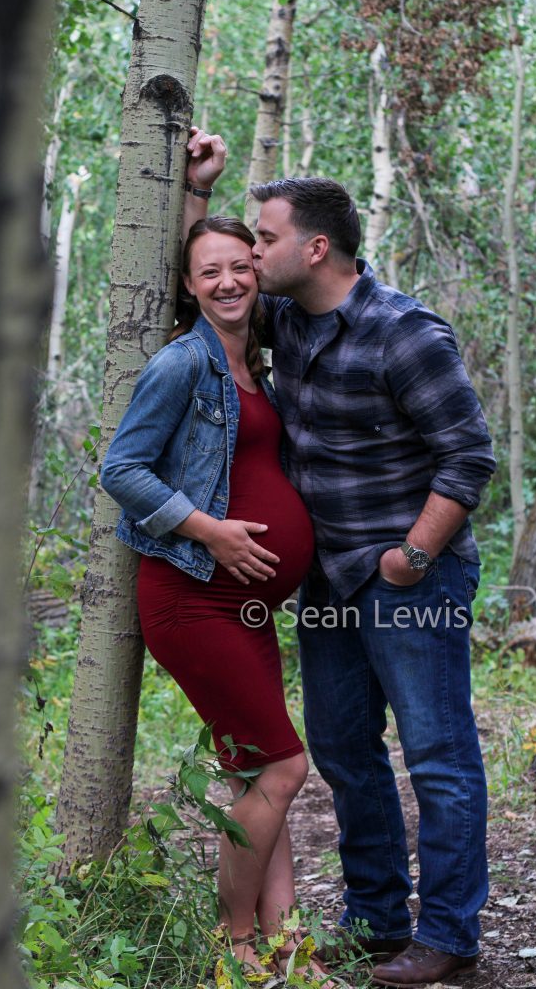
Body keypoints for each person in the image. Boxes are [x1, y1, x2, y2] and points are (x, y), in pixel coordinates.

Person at [184, 128, 497, 987]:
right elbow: (204, 285)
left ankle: (449, 936)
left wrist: (411, 556)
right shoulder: (287, 318)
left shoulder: (405, 334)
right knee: (344, 752)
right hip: (326, 581)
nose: (251, 256)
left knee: (436, 754)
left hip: (407, 578)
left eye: (268, 239)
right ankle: (374, 918)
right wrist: (197, 192)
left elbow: (467, 457)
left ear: (315, 246)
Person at [100, 202, 337, 984]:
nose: (230, 280)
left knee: (256, 769)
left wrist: (199, 192)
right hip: (191, 597)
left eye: (243, 264)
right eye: (210, 271)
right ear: (187, 286)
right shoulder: (182, 364)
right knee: (282, 770)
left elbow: (249, 265)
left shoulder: (253, 352)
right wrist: (210, 529)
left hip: (243, 607)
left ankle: (286, 944)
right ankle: (235, 946)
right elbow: (121, 471)